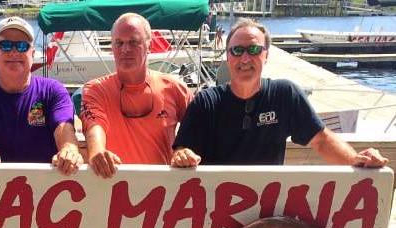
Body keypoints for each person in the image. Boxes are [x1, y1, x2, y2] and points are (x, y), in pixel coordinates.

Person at [171, 18, 388, 168]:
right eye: (237, 50)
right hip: (216, 203)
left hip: (268, 207)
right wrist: (181, 155)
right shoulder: (206, 101)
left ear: (266, 55)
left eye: (254, 50)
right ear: (228, 57)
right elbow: (182, 148)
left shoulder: (285, 95)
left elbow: (321, 140)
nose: (245, 58)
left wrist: (356, 160)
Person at [0, 16, 82, 176]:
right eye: (5, 45)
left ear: (33, 54)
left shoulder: (53, 91)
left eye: (22, 46)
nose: (14, 52)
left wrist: (69, 150)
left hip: (46, 184)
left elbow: (64, 129)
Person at [80, 12, 193, 179]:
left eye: (133, 42)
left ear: (149, 45)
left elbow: (198, 130)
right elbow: (94, 126)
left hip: (162, 188)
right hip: (113, 185)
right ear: (112, 47)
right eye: (119, 43)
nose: (125, 49)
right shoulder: (95, 90)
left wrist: (182, 150)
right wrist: (97, 151)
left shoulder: (175, 89)